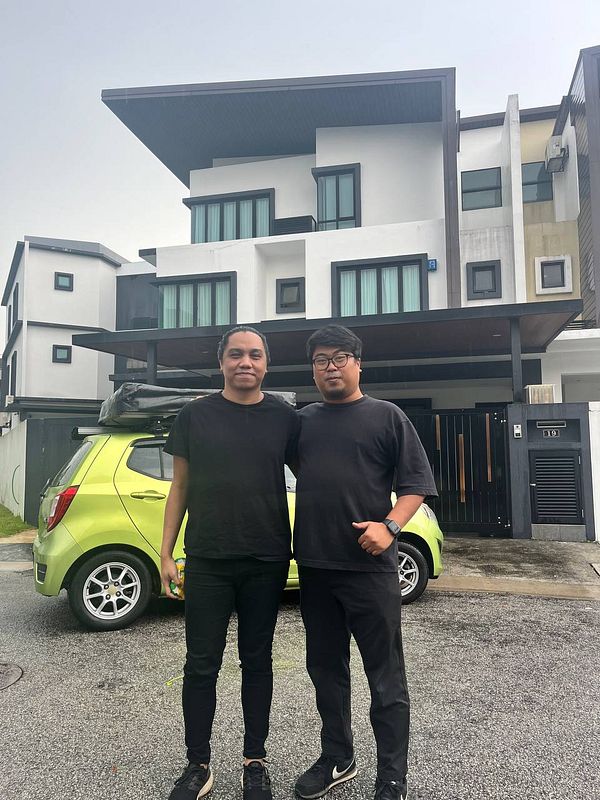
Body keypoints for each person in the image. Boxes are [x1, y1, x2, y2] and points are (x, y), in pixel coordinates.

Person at [293, 324, 437, 800]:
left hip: (370, 571)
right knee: (325, 671)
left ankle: (391, 776)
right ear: (312, 369)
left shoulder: (387, 416)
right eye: (320, 360)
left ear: (358, 363)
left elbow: (416, 483)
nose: (330, 367)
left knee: (386, 677)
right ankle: (338, 757)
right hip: (315, 568)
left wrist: (390, 526)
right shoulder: (304, 421)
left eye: (338, 358)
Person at [160, 326, 299, 800]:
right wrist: (166, 553)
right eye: (236, 354)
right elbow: (178, 487)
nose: (246, 362)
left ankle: (254, 761)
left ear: (266, 364)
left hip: (266, 557)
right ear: (221, 361)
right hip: (208, 557)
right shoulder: (194, 415)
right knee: (201, 664)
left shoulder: (285, 417)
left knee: (257, 661)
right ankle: (197, 764)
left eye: (255, 355)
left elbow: (318, 476)